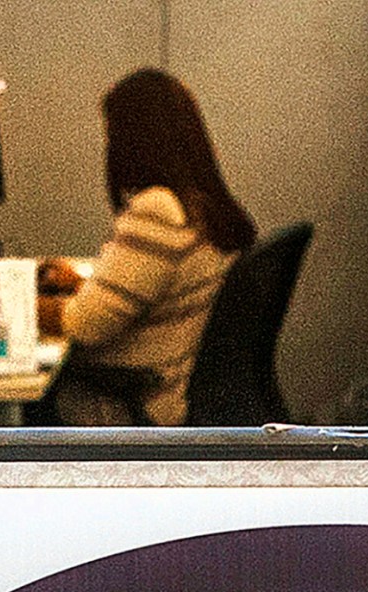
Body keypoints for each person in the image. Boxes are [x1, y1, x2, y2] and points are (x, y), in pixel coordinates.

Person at [36, 69, 256, 425]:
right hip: (164, 386)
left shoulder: (159, 210)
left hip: (124, 406)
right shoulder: (200, 204)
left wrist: (7, 303)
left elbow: (83, 324)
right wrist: (80, 286)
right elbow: (146, 293)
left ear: (134, 140)